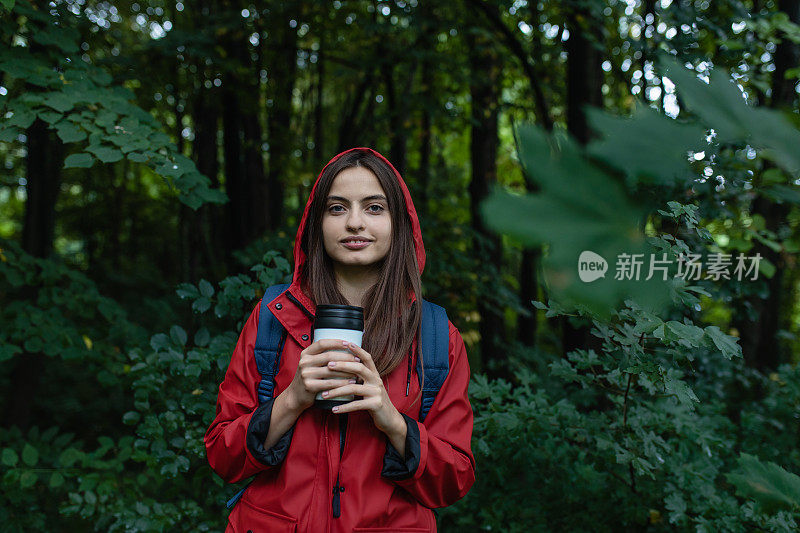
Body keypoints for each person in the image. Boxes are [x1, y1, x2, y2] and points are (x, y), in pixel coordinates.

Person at [204, 147, 475, 532]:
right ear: (317, 223)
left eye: (374, 208)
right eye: (337, 208)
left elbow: (455, 480)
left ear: (400, 223)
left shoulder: (433, 336)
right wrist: (292, 400)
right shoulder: (273, 319)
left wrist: (394, 423)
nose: (354, 223)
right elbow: (221, 455)